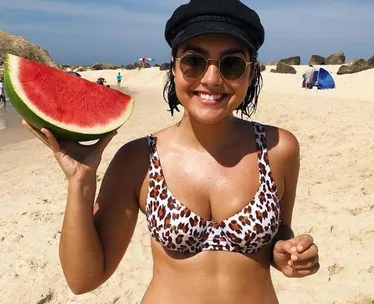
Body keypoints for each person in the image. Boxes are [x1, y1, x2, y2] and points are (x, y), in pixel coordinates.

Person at [22, 0, 320, 303]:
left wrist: (287, 252)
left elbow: (280, 230)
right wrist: (80, 183)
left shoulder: (279, 149)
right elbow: (83, 280)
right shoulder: (137, 160)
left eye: (231, 64)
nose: (212, 79)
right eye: (194, 61)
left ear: (251, 73)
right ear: (174, 67)